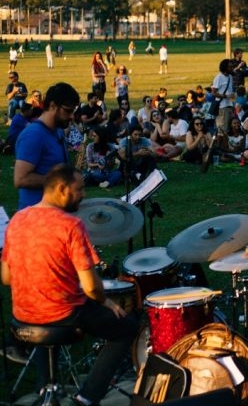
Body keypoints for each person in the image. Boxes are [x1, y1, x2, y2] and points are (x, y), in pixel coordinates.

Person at [2, 164, 138, 404]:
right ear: (62, 189)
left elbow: (6, 278)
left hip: (22, 314)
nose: (83, 195)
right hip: (62, 313)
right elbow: (91, 287)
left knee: (45, 310)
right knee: (127, 327)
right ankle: (87, 397)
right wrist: (107, 303)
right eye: (80, 189)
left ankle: (44, 388)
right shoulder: (70, 226)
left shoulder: (17, 219)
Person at [14, 82, 80, 210]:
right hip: (36, 215)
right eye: (68, 111)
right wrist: (62, 182)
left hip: (57, 211)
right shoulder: (33, 135)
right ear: (53, 105)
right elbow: (21, 179)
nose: (72, 116)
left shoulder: (58, 131)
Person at [211, 58, 236, 132]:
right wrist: (225, 96)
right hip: (222, 106)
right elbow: (214, 93)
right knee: (224, 129)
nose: (232, 68)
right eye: (230, 67)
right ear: (225, 68)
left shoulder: (230, 77)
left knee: (230, 129)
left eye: (232, 66)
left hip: (230, 105)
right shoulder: (219, 77)